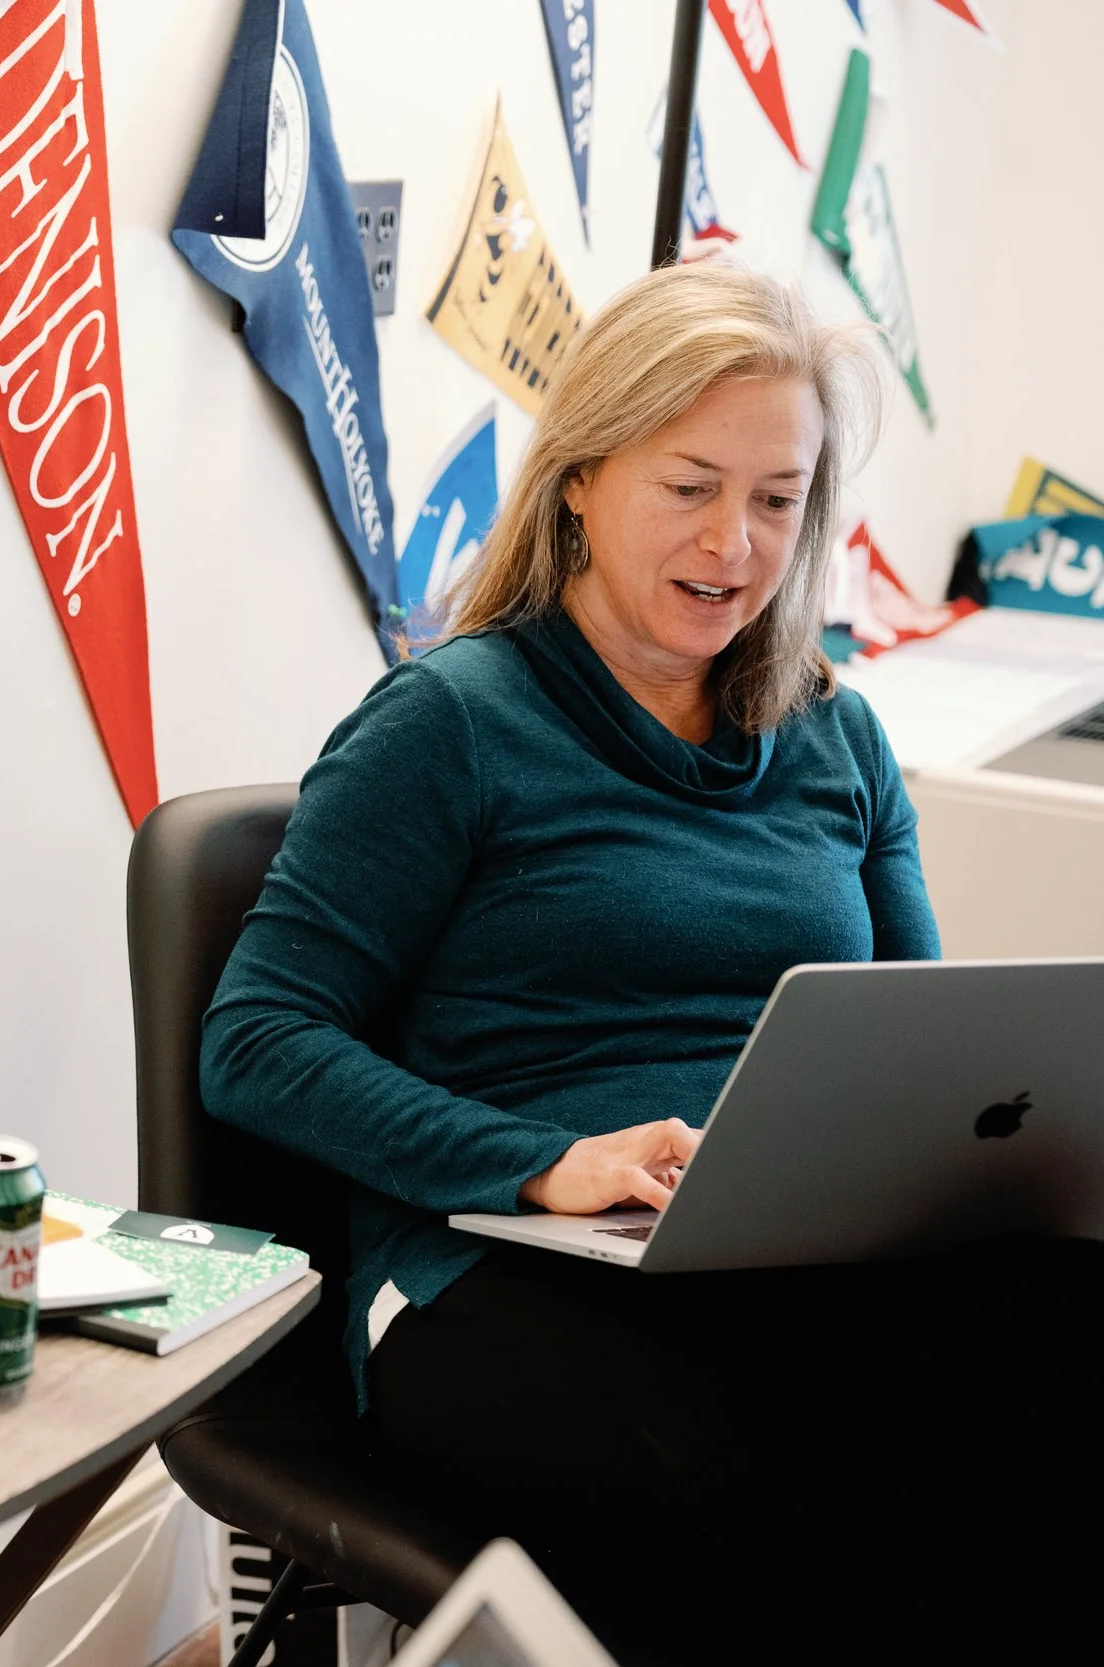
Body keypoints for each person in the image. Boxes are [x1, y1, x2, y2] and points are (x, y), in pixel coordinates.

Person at [200, 261, 1104, 1660]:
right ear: (579, 476)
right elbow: (256, 1039)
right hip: (501, 1273)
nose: (737, 542)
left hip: (785, 1268)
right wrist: (539, 1160)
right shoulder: (448, 723)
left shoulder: (836, 736)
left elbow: (926, 1054)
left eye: (777, 497)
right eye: (691, 485)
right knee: (752, 1457)